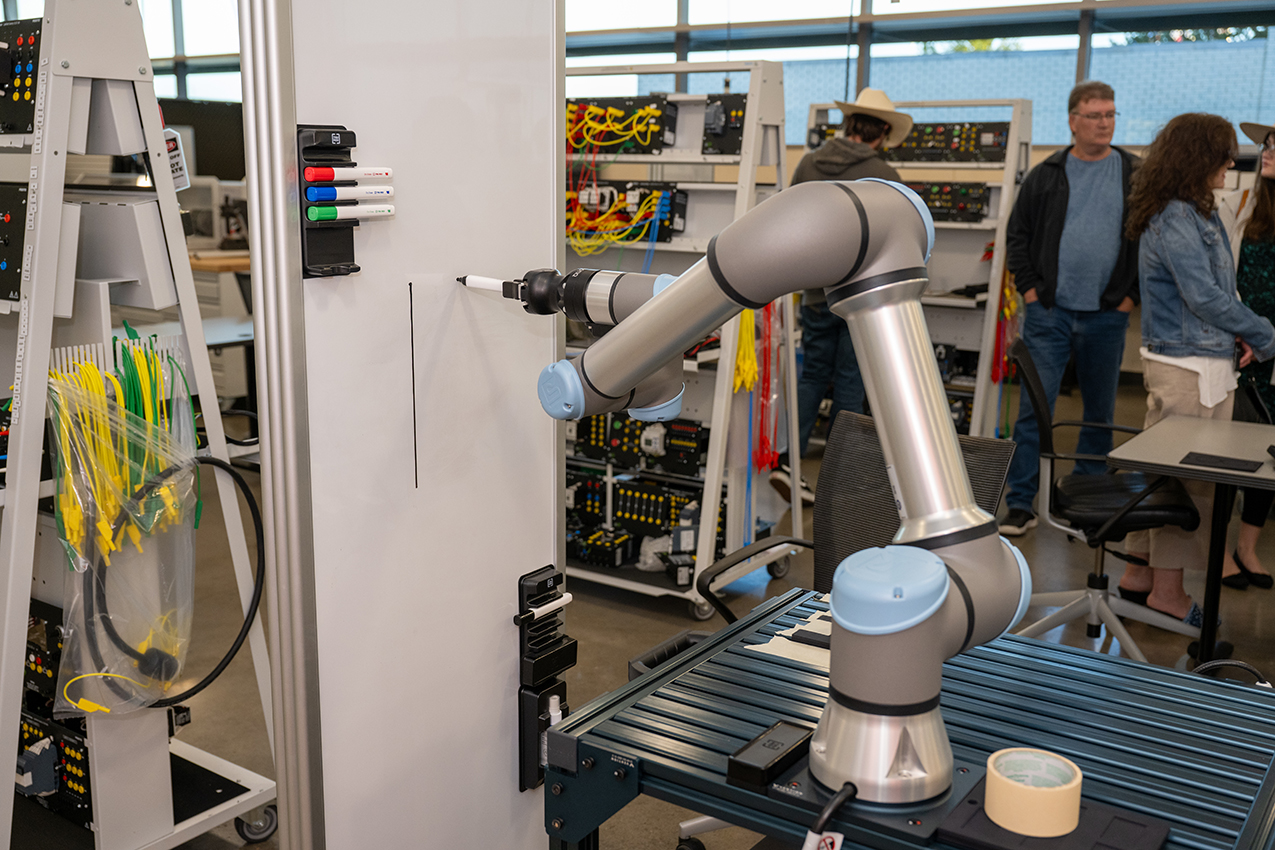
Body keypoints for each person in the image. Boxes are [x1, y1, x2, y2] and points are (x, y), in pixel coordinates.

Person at [1117, 113, 1275, 625]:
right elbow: (1203, 295)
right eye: (1225, 152)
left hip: (1200, 358)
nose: (1234, 161)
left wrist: (1236, 332)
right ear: (1198, 157)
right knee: (1190, 486)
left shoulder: (1194, 211)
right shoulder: (1177, 217)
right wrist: (1263, 333)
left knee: (1162, 478)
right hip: (1187, 368)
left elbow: (1215, 296)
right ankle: (1169, 592)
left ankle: (1138, 576)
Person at [999, 80, 1141, 536]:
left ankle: (1084, 499)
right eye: (1096, 115)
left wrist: (1128, 298)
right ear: (1073, 121)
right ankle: (1021, 502)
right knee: (1033, 412)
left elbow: (1148, 240)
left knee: (1098, 411)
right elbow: (1016, 237)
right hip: (1050, 313)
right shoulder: (1047, 174)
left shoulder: (1134, 174)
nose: (1105, 123)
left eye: (1111, 115)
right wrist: (1032, 292)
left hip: (1106, 315)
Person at [769, 88, 913, 504]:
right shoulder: (885, 175)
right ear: (882, 132)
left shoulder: (809, 164)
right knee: (851, 383)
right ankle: (838, 480)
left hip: (815, 289)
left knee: (812, 375)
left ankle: (786, 463)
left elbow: (789, 219)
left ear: (848, 124)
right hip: (862, 295)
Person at [1217, 121, 1275, 590]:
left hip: (1273, 350)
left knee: (1271, 455)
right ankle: (1219, 552)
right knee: (1229, 450)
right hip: (1240, 346)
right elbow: (1224, 282)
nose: (1269, 151)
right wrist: (1245, 335)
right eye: (1269, 143)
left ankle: (1247, 547)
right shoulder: (1242, 204)